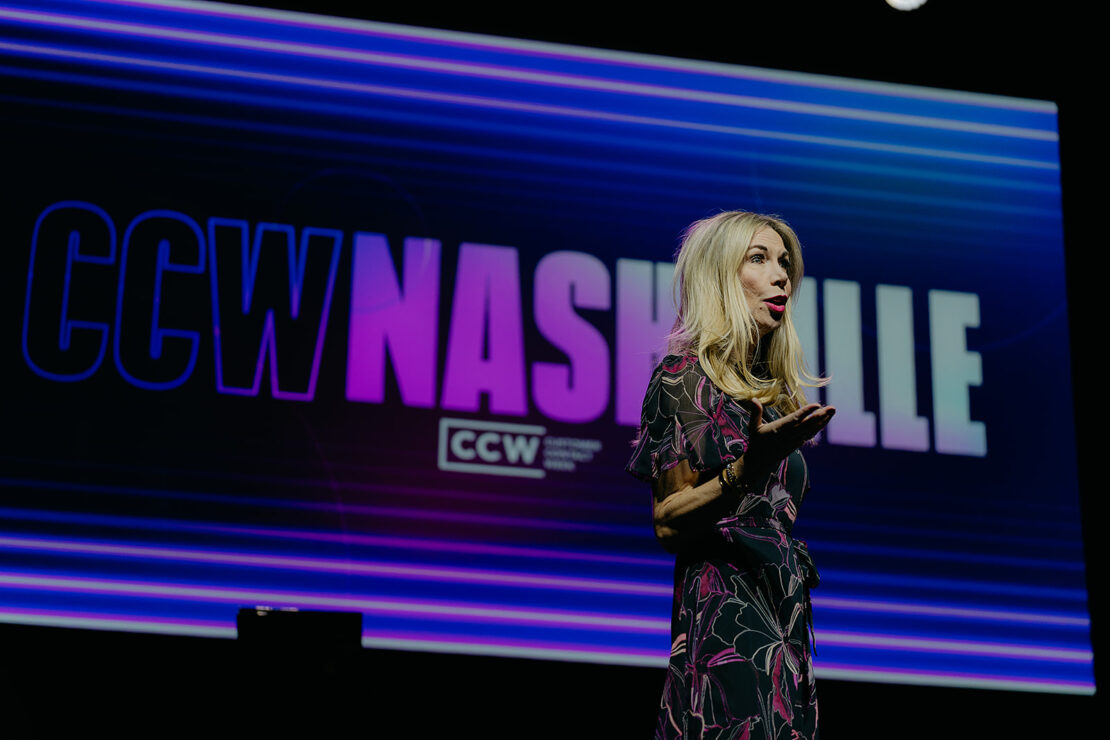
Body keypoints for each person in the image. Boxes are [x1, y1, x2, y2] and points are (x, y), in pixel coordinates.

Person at [626, 211, 834, 739]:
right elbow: (668, 522)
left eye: (785, 262)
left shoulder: (767, 396)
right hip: (727, 631)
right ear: (720, 274)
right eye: (759, 259)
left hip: (784, 629)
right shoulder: (684, 378)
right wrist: (746, 469)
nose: (781, 274)